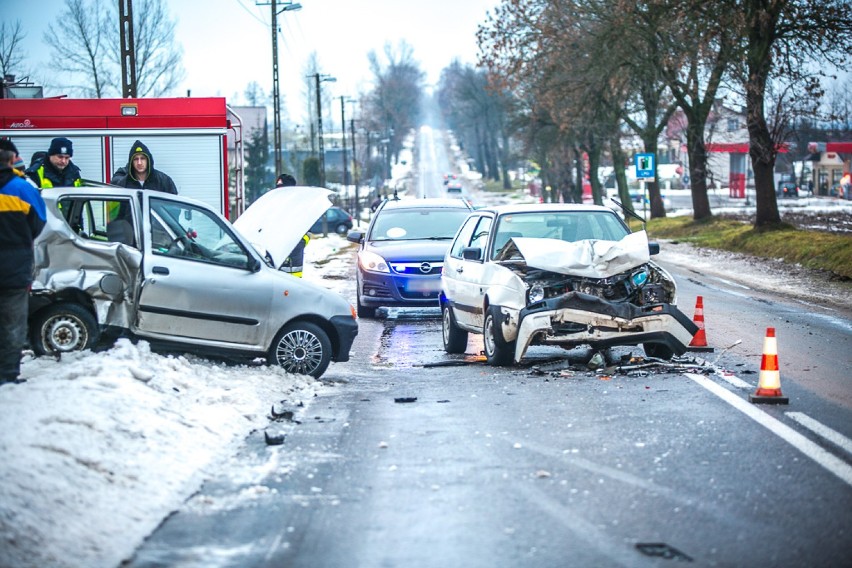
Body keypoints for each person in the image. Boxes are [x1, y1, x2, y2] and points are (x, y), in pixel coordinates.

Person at [0, 140, 47, 385]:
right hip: (14, 270)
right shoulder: (22, 188)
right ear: (11, 159)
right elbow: (39, 222)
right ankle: (7, 376)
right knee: (12, 323)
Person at [110, 140, 177, 194]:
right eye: (136, 159)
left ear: (148, 160)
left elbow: (174, 206)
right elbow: (114, 209)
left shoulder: (164, 181)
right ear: (131, 162)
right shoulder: (123, 183)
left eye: (142, 158)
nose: (139, 163)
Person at [277, 174, 309, 277]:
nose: (278, 190)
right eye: (277, 187)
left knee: (293, 288)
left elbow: (308, 229)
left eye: (281, 187)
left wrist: (300, 242)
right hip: (276, 254)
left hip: (294, 262)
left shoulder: (299, 206)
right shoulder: (274, 205)